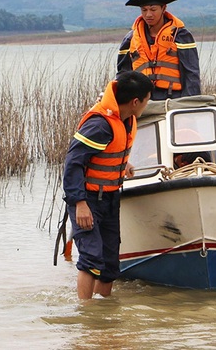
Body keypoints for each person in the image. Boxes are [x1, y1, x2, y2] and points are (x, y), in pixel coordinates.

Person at [62, 71, 154, 300]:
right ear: (135, 102)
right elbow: (73, 164)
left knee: (110, 263)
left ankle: (103, 314)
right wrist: (79, 203)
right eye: (147, 99)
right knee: (92, 259)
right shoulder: (99, 125)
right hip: (89, 201)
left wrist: (123, 164)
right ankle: (85, 314)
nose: (147, 104)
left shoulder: (126, 119)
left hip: (111, 199)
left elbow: (106, 152)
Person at [117, 0, 201, 100]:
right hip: (142, 101)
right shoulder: (130, 39)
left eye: (153, 9)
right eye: (144, 10)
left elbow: (191, 73)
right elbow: (123, 75)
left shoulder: (180, 35)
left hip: (174, 99)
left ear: (163, 8)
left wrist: (190, 104)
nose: (148, 14)